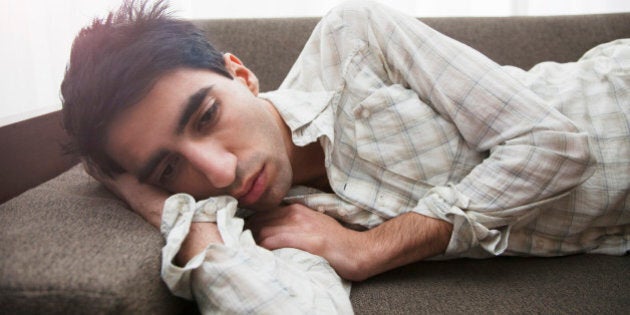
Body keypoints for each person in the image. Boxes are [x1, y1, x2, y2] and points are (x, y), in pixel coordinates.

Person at [61, 0, 629, 313]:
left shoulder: (353, 39)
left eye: (206, 116)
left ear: (241, 74)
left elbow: (551, 144)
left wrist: (370, 249)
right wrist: (161, 205)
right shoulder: (259, 222)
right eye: (168, 169)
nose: (220, 173)